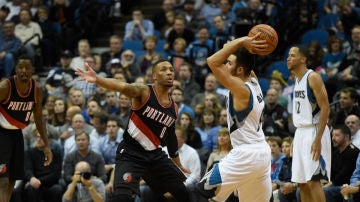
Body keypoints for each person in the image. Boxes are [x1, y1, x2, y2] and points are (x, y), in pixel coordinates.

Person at [76, 59, 190, 202]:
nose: (169, 72)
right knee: (123, 197)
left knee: (182, 193)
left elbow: (171, 135)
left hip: (155, 155)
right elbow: (122, 86)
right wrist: (97, 79)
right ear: (154, 76)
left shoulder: (174, 108)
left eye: (171, 70)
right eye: (164, 69)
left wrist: (177, 162)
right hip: (131, 153)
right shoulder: (144, 92)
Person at [204, 33, 271, 201]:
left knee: (201, 193)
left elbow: (212, 61)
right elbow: (246, 62)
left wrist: (241, 41)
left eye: (229, 63)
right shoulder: (254, 82)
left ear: (240, 70)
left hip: (246, 154)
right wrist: (242, 46)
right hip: (261, 153)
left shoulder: (241, 89)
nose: (225, 64)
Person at [0, 56, 53, 202]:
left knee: (12, 180)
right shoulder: (5, 87)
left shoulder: (36, 90)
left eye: (27, 67)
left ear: (33, 70)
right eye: (20, 67)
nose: (24, 70)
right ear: (15, 70)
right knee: (2, 181)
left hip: (17, 134)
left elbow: (38, 119)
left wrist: (46, 145)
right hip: (1, 133)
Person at [287, 45, 332, 202]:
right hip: (301, 132)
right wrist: (295, 139)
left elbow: (326, 108)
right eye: (288, 55)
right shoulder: (297, 80)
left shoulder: (312, 77)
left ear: (303, 59)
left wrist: (318, 139)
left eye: (292, 55)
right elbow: (302, 113)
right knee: (302, 183)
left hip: (314, 130)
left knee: (313, 181)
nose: (288, 58)